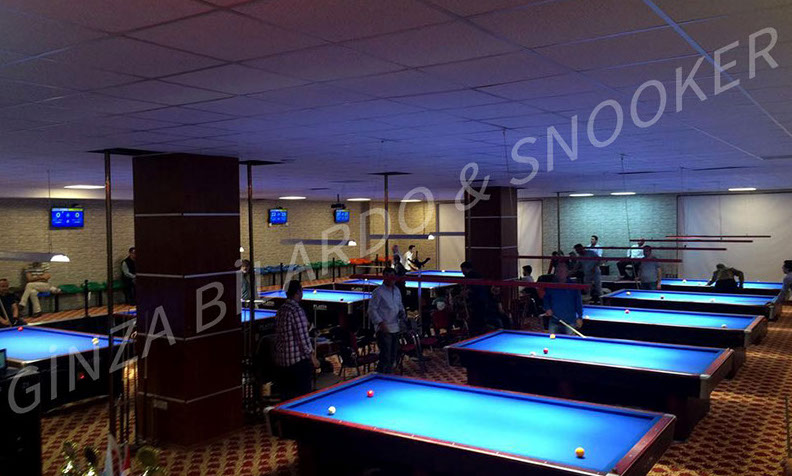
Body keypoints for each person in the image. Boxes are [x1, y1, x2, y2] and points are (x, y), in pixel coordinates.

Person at [274, 280, 319, 400]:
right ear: (298, 292)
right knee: (303, 398)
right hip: (297, 363)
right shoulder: (296, 310)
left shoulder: (281, 310)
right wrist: (312, 357)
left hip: (281, 361)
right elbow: (302, 338)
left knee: (286, 399)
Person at [369, 268, 406, 374]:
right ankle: (382, 375)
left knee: (394, 354)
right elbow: (372, 310)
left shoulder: (397, 290)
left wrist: (402, 313)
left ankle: (389, 374)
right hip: (384, 328)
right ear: (384, 277)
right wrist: (380, 323)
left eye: (392, 276)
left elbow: (400, 305)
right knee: (385, 355)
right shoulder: (378, 292)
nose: (391, 279)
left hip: (395, 327)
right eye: (388, 276)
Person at [541, 262, 583, 335]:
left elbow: (578, 303)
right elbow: (546, 299)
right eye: (558, 271)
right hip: (554, 321)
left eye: (562, 271)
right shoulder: (551, 286)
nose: (559, 273)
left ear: (567, 273)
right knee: (552, 341)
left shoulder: (574, 286)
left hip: (570, 322)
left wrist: (580, 317)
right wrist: (547, 308)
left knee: (570, 341)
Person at [460, 261, 491, 335]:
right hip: (483, 299)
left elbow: (471, 288)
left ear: (465, 268)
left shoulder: (469, 276)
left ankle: (475, 333)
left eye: (462, 270)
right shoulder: (478, 275)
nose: (462, 272)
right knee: (481, 318)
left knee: (475, 318)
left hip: (476, 300)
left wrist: (465, 293)